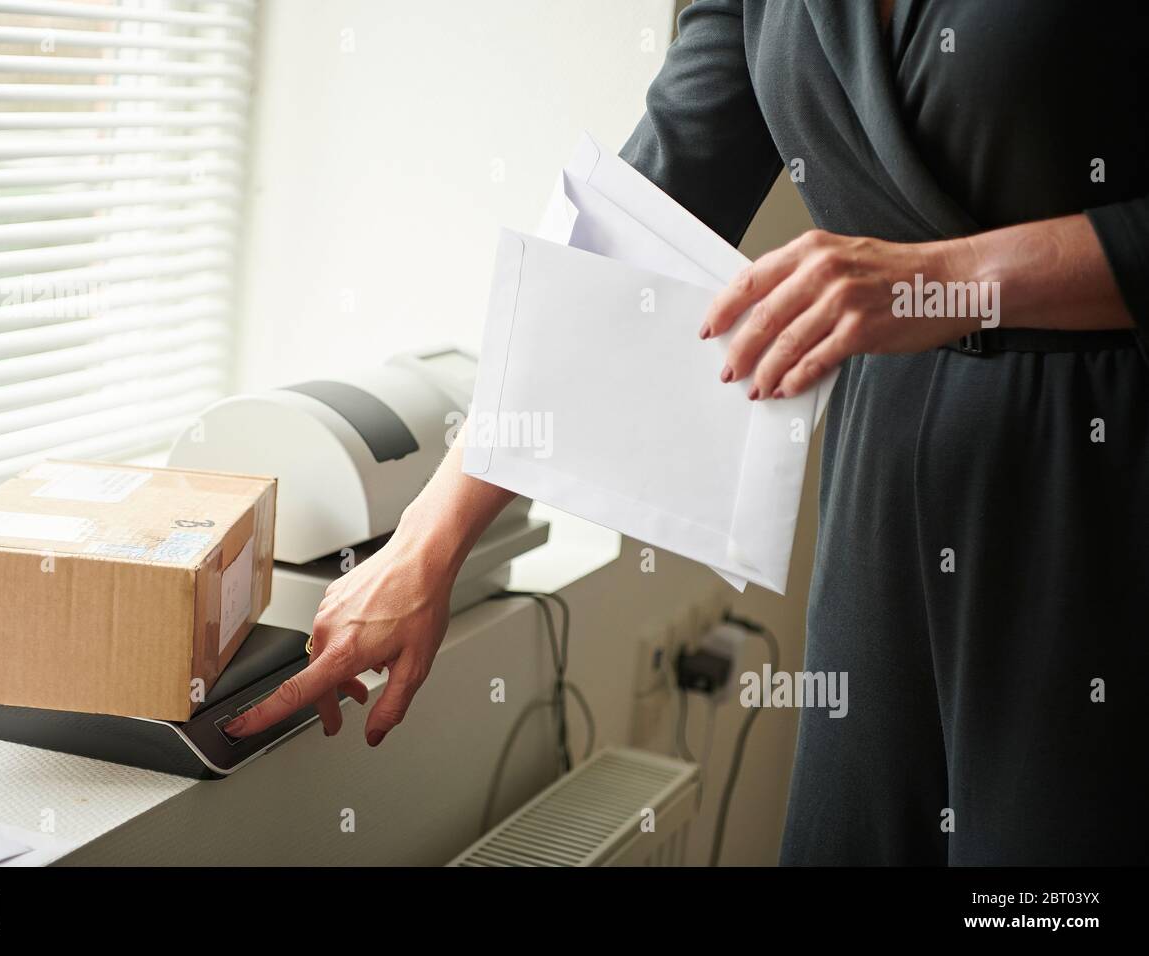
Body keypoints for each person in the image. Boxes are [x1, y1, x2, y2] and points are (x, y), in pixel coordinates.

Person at [224, 0, 1149, 865]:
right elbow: (650, 209)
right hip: (886, 480)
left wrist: (945, 279)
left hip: (1101, 468)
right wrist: (431, 538)